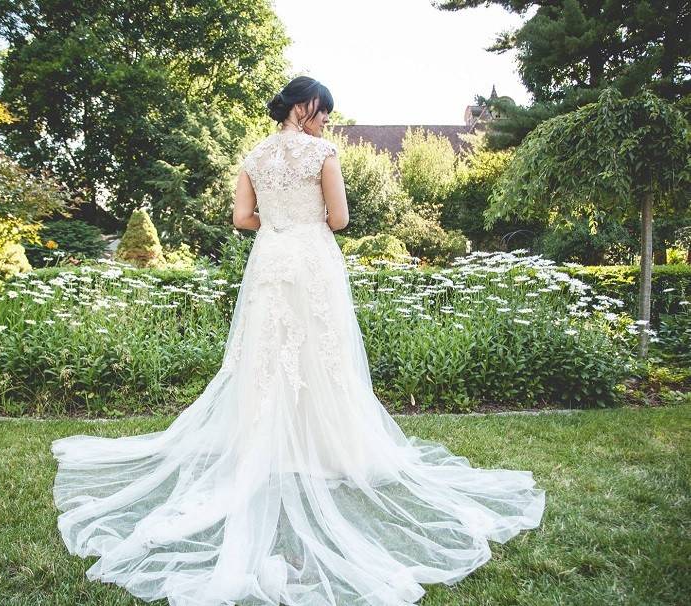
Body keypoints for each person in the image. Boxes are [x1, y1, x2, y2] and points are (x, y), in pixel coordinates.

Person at [51, 76, 546, 606]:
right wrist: (302, 219)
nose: (328, 118)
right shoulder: (322, 153)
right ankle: (327, 447)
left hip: (270, 257)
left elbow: (242, 219)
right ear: (304, 108)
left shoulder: (253, 156)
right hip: (312, 258)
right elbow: (340, 218)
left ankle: (267, 443)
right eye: (324, 110)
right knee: (320, 351)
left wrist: (277, 220)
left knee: (266, 355)